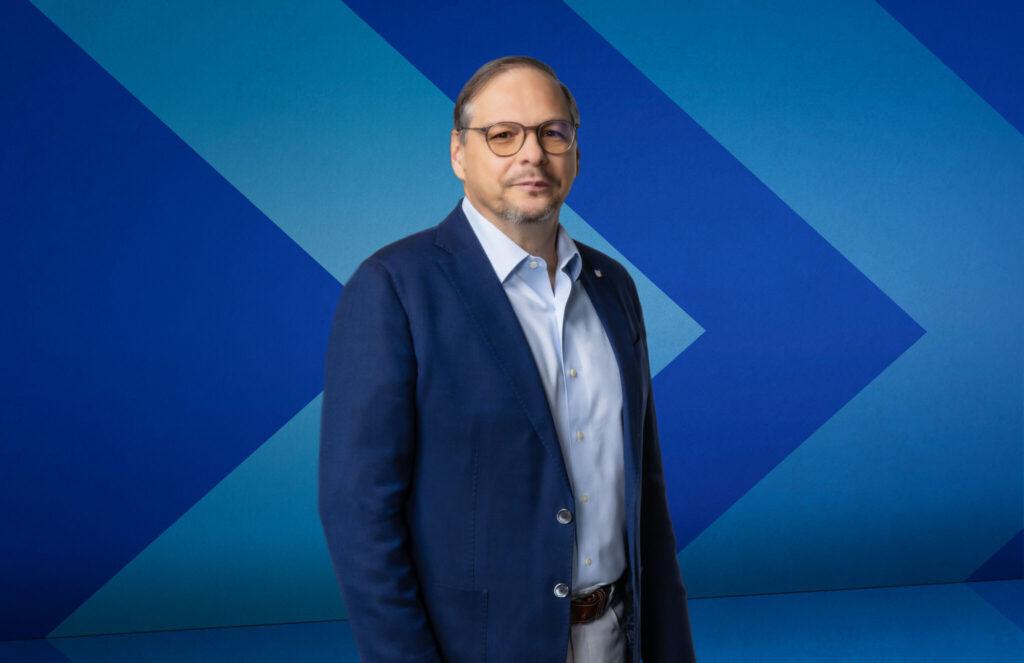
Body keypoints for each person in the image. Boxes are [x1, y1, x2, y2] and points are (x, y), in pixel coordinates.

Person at [319, 55, 697, 663]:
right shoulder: (394, 288)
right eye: (503, 135)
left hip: (619, 638)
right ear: (459, 154)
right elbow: (357, 514)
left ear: (575, 150)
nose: (532, 154)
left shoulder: (613, 287)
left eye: (553, 132)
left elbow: (645, 496)